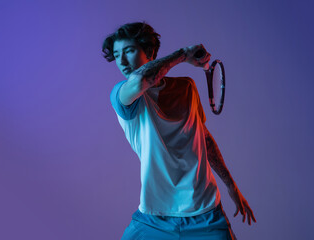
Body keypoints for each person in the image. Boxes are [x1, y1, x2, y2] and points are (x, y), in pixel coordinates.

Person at [102, 22, 256, 240]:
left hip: (205, 213)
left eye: (129, 51)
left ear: (150, 52)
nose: (122, 61)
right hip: (154, 218)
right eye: (117, 54)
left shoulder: (186, 87)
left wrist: (231, 186)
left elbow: (203, 138)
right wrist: (183, 55)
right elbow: (141, 80)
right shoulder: (123, 95)